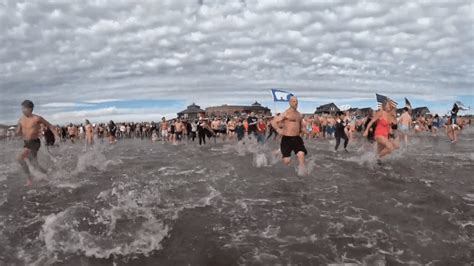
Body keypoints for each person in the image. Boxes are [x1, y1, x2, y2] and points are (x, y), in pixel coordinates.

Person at [16, 100, 58, 186]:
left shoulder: (37, 118)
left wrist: (57, 137)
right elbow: (18, 131)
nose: (22, 110)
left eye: (24, 108)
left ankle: (29, 179)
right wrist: (17, 133)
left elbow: (50, 126)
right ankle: (47, 174)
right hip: (26, 142)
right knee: (35, 164)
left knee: (19, 158)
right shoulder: (21, 119)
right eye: (22, 108)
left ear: (30, 109)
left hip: (34, 142)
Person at [271, 96, 308, 174]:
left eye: (297, 101)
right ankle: (280, 151)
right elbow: (273, 122)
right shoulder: (286, 113)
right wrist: (278, 129)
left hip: (297, 138)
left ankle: (302, 174)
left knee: (301, 155)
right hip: (287, 139)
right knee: (287, 161)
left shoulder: (299, 115)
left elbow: (300, 127)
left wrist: (305, 131)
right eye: (294, 101)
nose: (296, 103)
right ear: (290, 102)